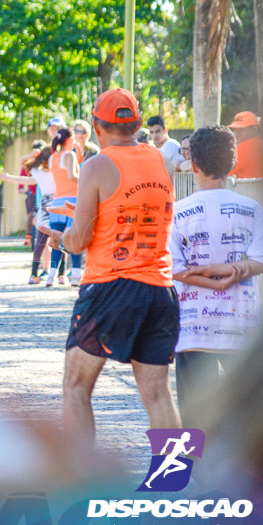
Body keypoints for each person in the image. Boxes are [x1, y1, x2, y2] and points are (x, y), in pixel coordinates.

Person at [61, 88, 179, 448]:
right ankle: (175, 481)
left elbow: (79, 240)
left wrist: (59, 236)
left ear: (97, 126)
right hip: (160, 287)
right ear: (140, 124)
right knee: (159, 394)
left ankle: (77, 482)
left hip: (112, 286)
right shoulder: (161, 159)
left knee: (76, 386)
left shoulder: (97, 164)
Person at [169, 125, 263, 429]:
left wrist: (208, 274)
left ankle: (186, 473)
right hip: (240, 327)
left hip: (192, 329)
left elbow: (175, 270)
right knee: (245, 408)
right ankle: (240, 471)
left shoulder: (179, 211)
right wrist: (231, 273)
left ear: (195, 166)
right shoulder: (250, 207)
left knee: (190, 409)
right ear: (232, 163)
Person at [0, 145, 56, 285]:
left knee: (53, 242)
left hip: (54, 207)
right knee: (44, 241)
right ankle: (38, 273)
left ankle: (51, 273)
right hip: (48, 209)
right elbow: (25, 178)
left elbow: (25, 175)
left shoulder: (55, 172)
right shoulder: (41, 173)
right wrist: (9, 177)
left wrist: (8, 177)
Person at [46, 128, 83, 286]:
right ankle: (75, 275)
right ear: (69, 139)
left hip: (57, 201)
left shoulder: (53, 157)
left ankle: (51, 276)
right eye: (74, 137)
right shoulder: (69, 155)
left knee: (57, 240)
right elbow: (72, 176)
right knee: (75, 239)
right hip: (72, 202)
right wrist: (89, 182)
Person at [227, 111, 263, 179]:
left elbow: (221, 173)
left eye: (241, 130)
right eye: (235, 130)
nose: (236, 134)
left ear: (254, 129)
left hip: (246, 189)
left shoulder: (244, 147)